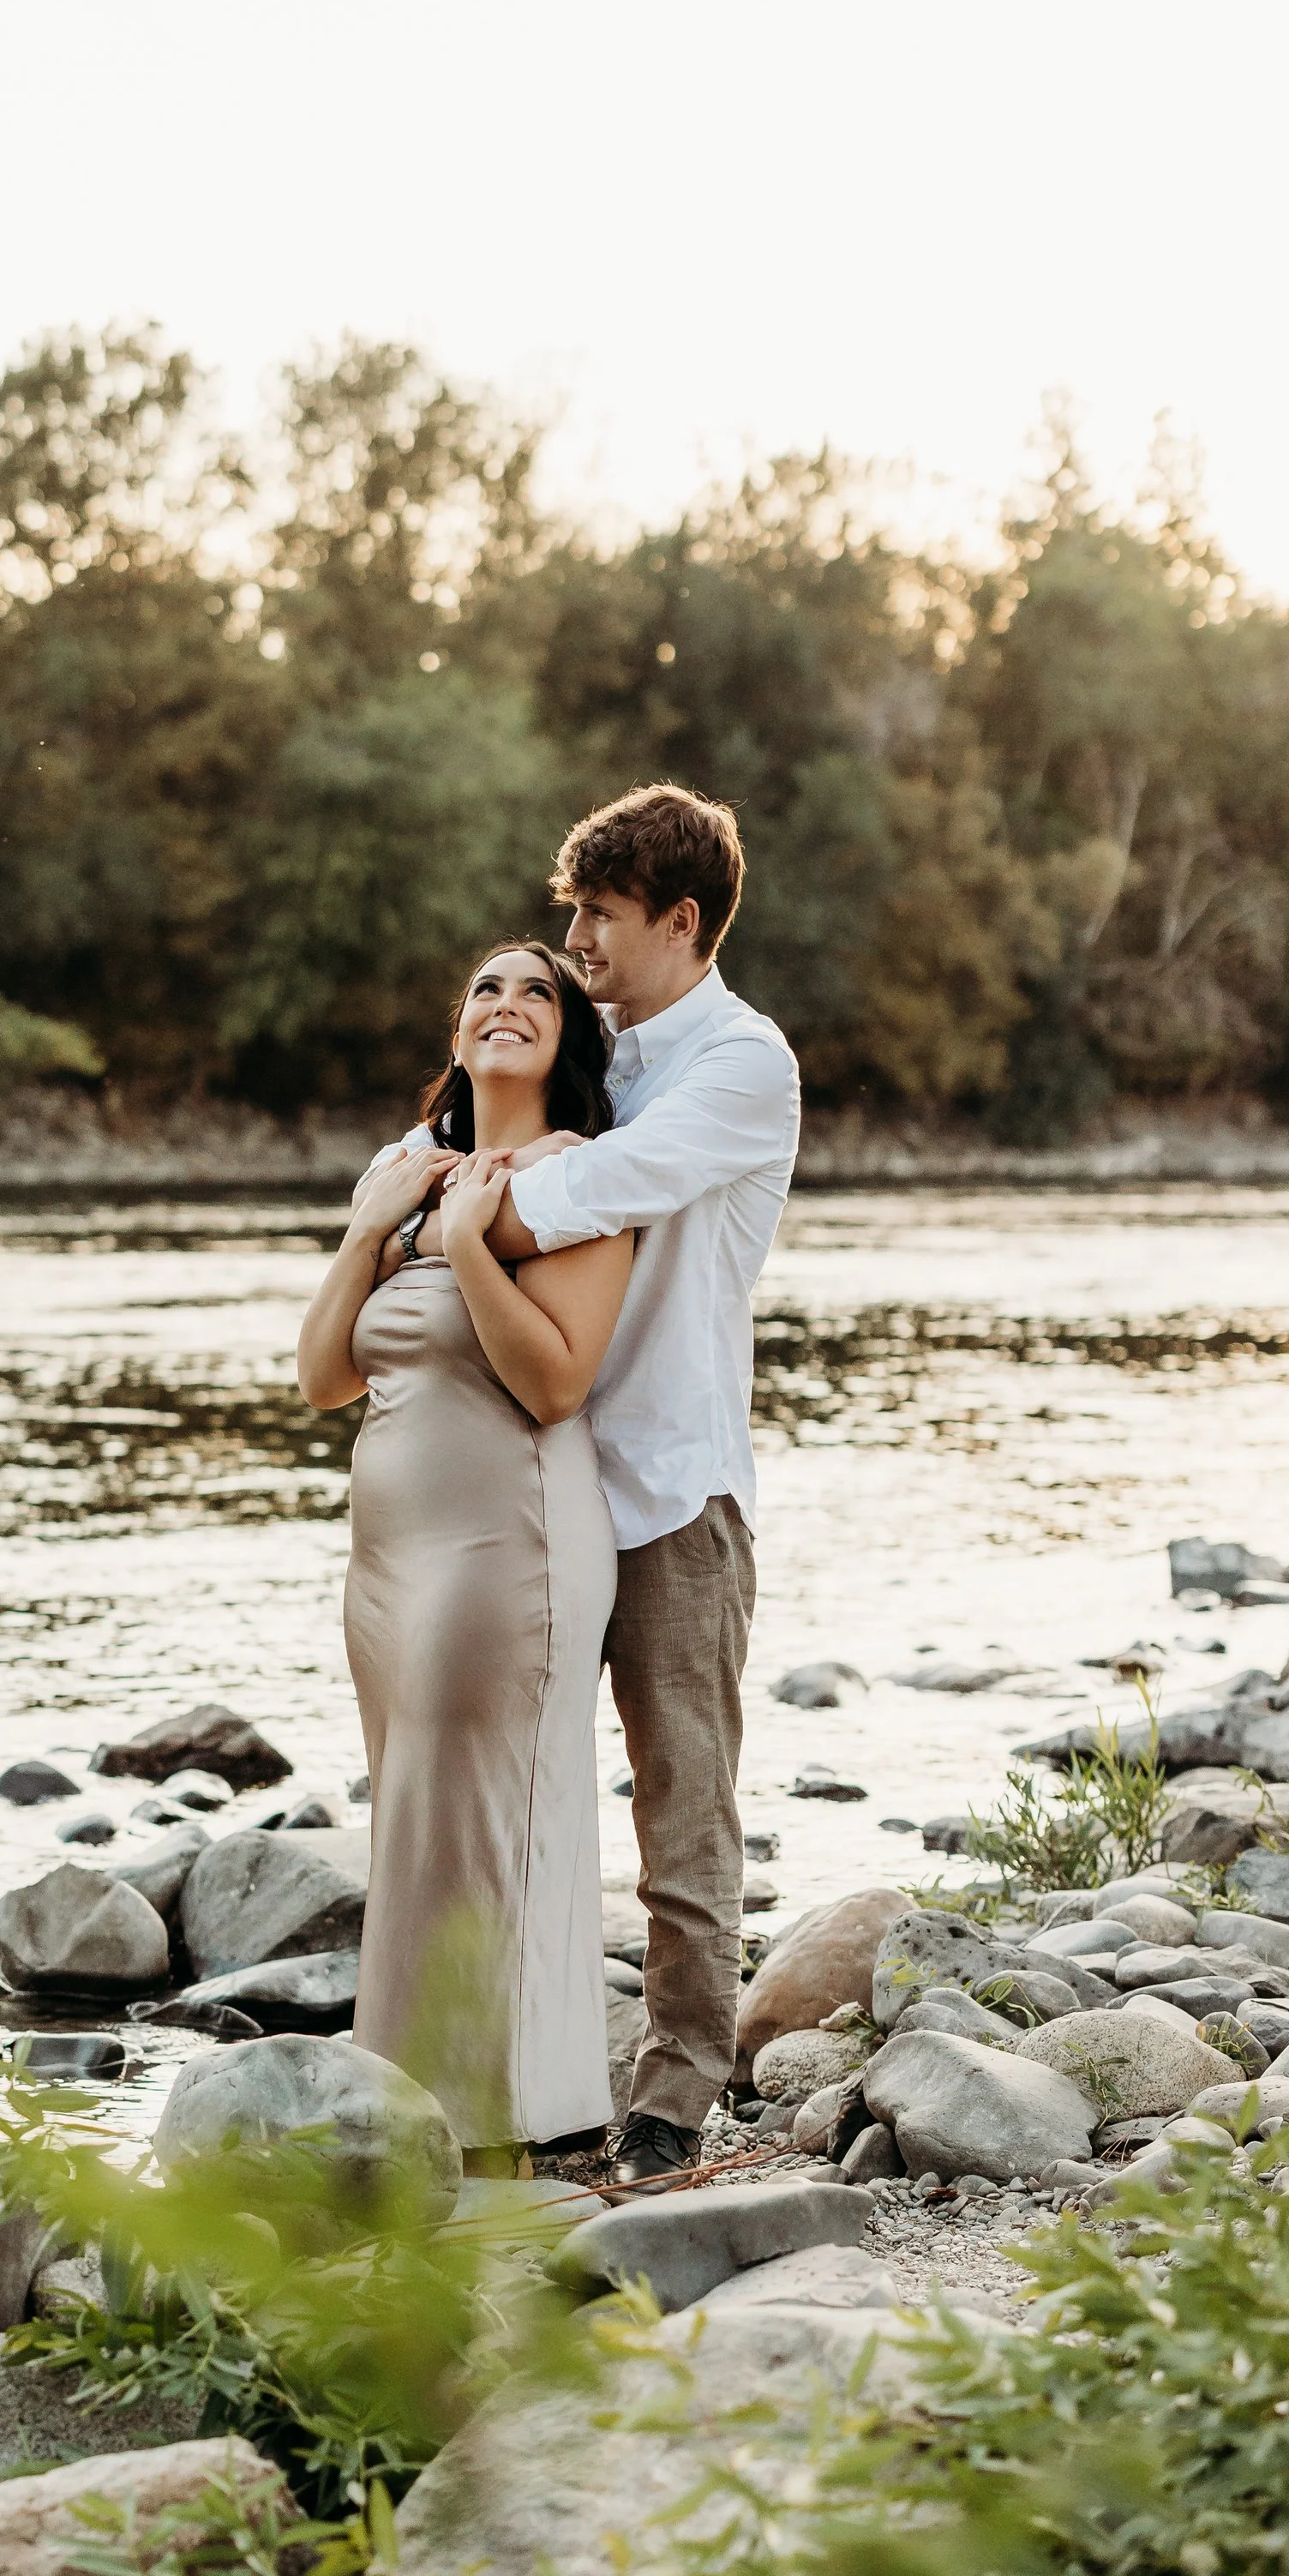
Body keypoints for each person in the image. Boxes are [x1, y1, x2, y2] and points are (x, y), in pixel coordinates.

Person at [465, 785, 800, 2182]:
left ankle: (672, 2097)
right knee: (522, 1790)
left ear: (683, 922)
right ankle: (514, 2080)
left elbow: (601, 1189)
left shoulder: (744, 1063)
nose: (578, 936)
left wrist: (458, 1216)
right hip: (536, 1474)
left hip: (670, 1483)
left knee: (682, 1802)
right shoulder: (585, 1035)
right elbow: (474, 1121)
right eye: (572, 910)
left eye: (604, 915)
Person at [297, 942, 633, 2165]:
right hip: (387, 1555)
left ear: (569, 1042)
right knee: (412, 1811)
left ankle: (477, 2120)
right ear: (458, 1027)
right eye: (488, 988)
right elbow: (325, 1377)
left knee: (474, 1813)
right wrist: (371, 1234)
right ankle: (409, 2101)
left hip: (512, 1538)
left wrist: (478, 1250)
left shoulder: (584, 1176)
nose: (509, 1004)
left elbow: (555, 1384)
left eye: (540, 991)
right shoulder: (400, 1168)